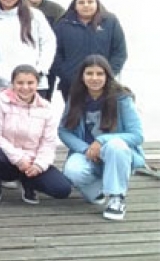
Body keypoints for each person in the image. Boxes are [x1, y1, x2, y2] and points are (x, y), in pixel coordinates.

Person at [59, 55, 145, 221]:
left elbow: (137, 135)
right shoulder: (76, 97)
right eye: (89, 73)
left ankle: (117, 197)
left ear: (107, 76)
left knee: (116, 146)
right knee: (72, 170)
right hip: (88, 153)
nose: (94, 78)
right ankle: (99, 188)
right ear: (82, 76)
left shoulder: (122, 98)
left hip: (115, 153)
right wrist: (86, 149)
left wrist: (102, 141)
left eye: (99, 73)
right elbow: (63, 131)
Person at [0, 65, 73, 208]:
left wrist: (39, 165)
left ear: (37, 84)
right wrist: (18, 158)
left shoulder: (46, 108)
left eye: (30, 83)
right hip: (6, 160)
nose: (25, 87)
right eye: (20, 83)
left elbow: (48, 143)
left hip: (32, 162)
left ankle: (28, 184)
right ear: (12, 84)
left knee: (62, 190)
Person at [0, 0, 56, 106]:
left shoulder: (35, 15)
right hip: (2, 84)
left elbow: (48, 42)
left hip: (34, 84)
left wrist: (40, 69)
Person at [51, 0, 127, 99]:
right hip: (71, 84)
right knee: (74, 110)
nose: (86, 5)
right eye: (81, 2)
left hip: (103, 84)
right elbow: (54, 52)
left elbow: (120, 52)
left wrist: (107, 74)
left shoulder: (110, 22)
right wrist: (66, 74)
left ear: (97, 3)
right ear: (75, 5)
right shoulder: (63, 24)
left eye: (90, 2)